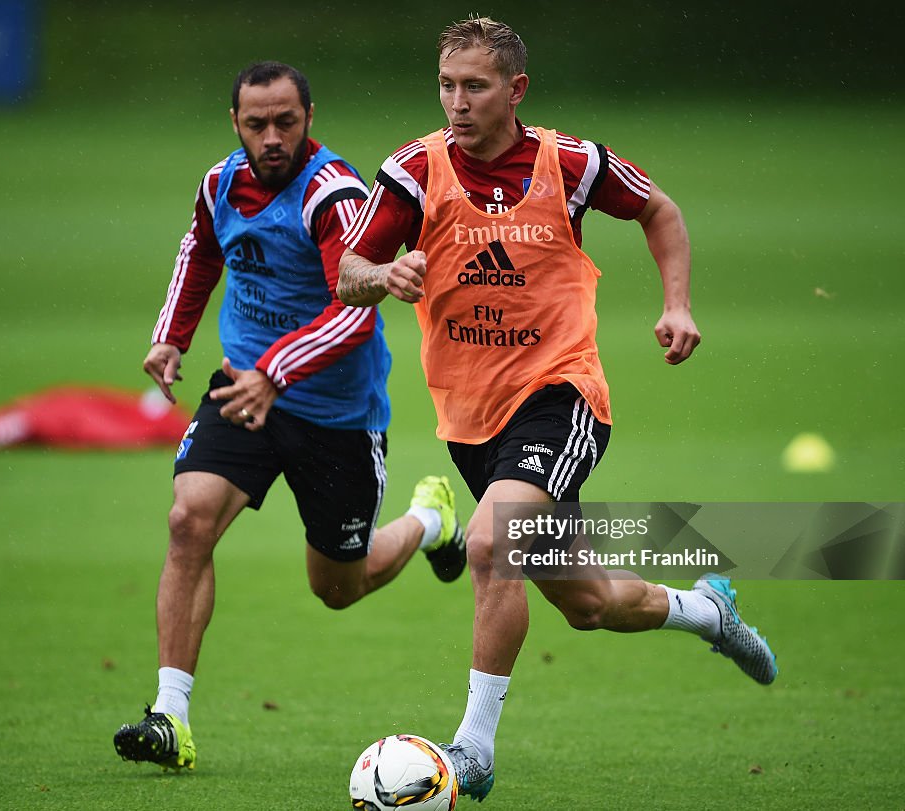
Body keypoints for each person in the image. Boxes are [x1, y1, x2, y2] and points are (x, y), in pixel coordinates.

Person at [337, 17, 777, 802]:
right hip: (470, 419)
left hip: (561, 396)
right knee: (591, 602)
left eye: (475, 86)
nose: (457, 102)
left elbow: (660, 211)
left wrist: (678, 304)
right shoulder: (411, 171)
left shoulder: (571, 163)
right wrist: (385, 277)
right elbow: (349, 269)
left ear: (516, 89)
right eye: (446, 84)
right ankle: (708, 611)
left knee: (490, 541)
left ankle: (472, 749)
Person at [112, 61, 467, 771]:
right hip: (244, 388)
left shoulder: (335, 196)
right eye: (255, 124)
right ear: (235, 124)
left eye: (285, 122)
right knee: (189, 520)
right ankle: (170, 718)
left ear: (309, 118)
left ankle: (431, 521)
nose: (271, 137)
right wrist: (170, 335)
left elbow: (354, 308)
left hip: (336, 413)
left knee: (339, 586)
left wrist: (279, 371)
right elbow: (200, 252)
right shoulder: (219, 183)